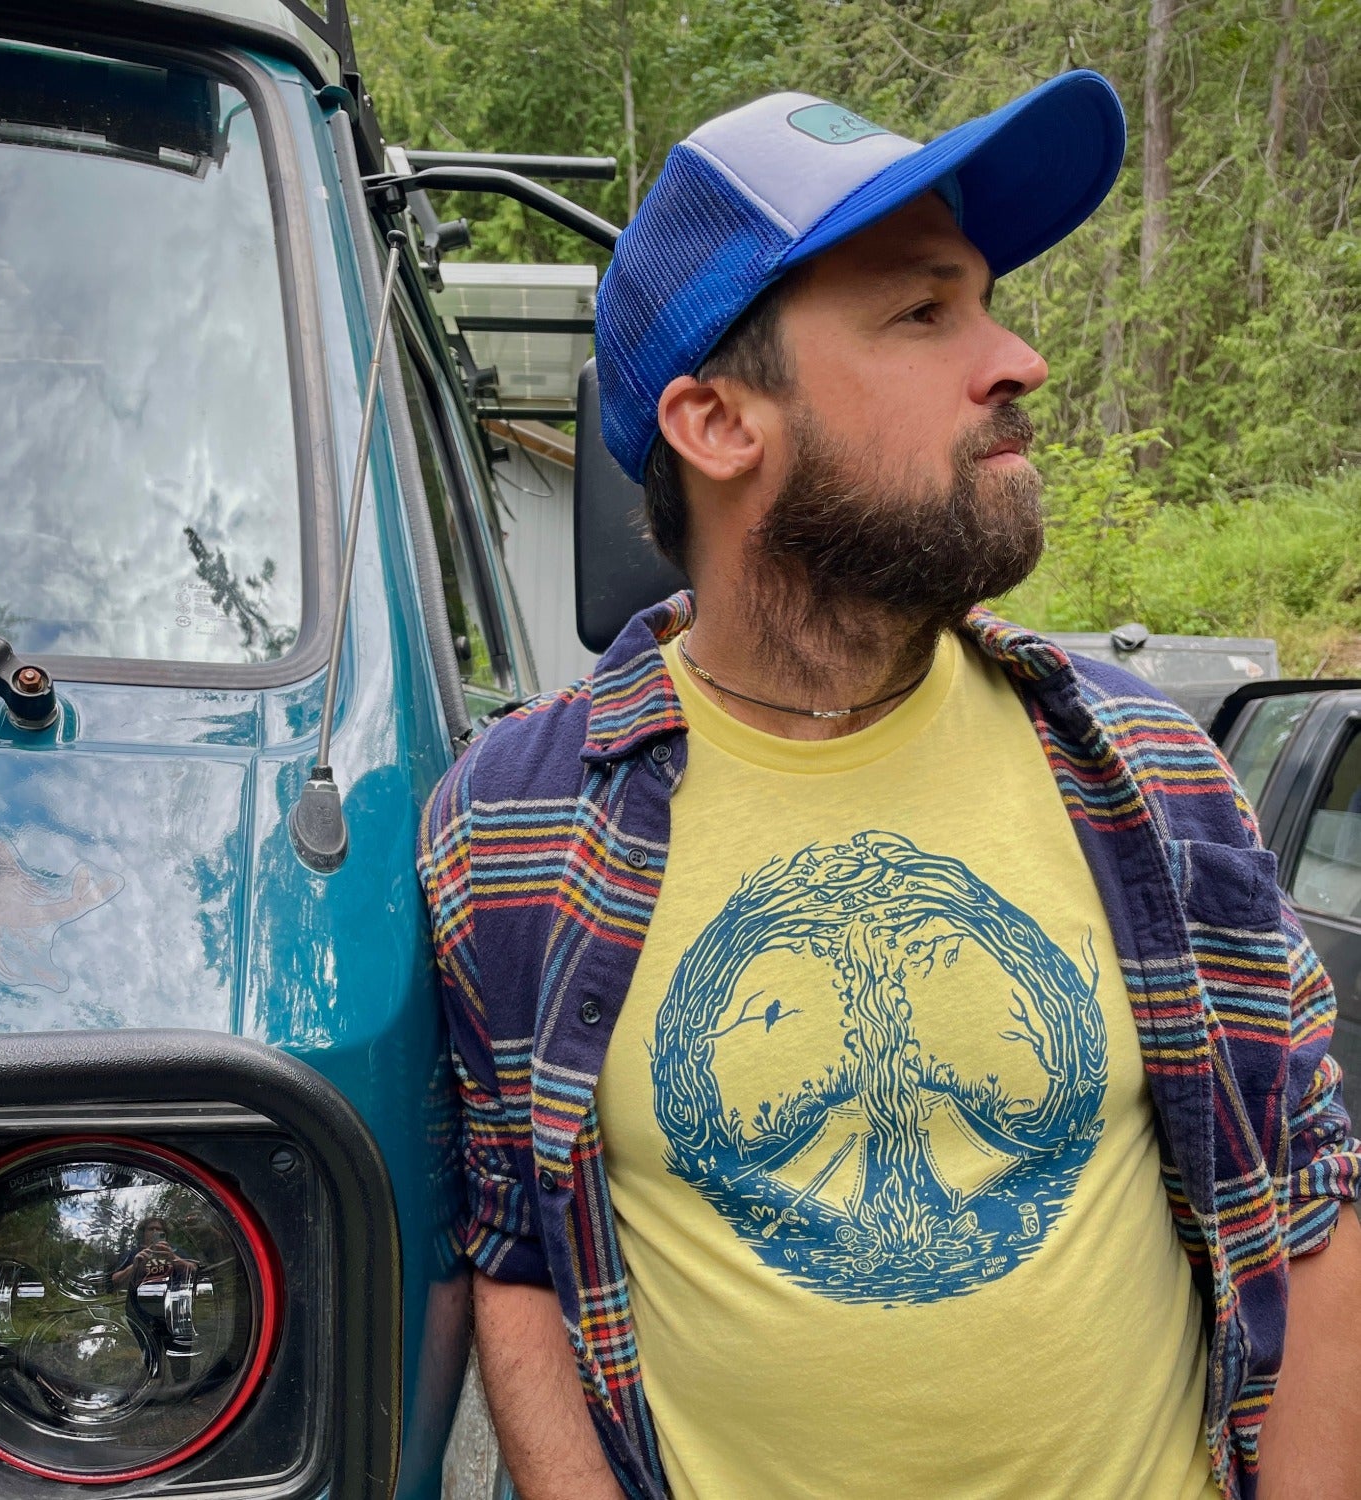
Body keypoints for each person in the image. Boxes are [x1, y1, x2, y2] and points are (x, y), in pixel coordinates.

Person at [418, 72, 1361, 1500]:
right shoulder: (511, 824)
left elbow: (1305, 1191)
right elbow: (519, 1254)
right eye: (926, 313)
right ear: (719, 423)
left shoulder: (1149, 770)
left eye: (985, 300)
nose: (1019, 359)